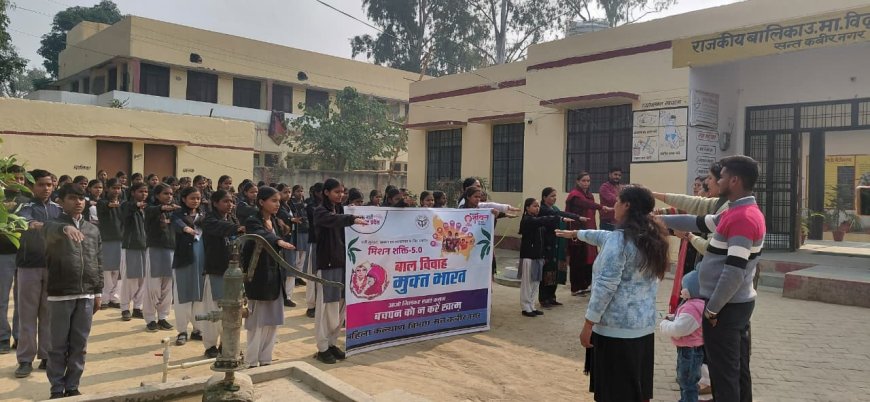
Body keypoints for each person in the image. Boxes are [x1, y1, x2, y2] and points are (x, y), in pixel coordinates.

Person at [658, 155, 765, 402]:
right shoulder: (734, 211)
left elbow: (734, 271)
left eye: (722, 177)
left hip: (726, 308)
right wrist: (658, 220)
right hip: (732, 305)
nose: (714, 182)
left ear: (734, 180)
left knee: (724, 374)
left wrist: (712, 310)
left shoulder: (742, 218)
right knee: (736, 369)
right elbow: (698, 221)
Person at [555, 185, 669, 402]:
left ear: (627, 205)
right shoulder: (651, 236)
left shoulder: (620, 240)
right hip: (642, 328)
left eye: (617, 201)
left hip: (615, 332)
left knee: (614, 393)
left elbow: (605, 287)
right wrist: (576, 233)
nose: (614, 205)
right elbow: (603, 236)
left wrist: (588, 324)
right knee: (636, 391)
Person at [42, 183, 103, 399]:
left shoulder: (92, 229)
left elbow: (98, 261)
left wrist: (98, 292)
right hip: (61, 294)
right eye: (72, 198)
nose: (78, 202)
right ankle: (56, 388)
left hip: (86, 295)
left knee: (80, 345)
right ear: (60, 201)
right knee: (57, 345)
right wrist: (64, 229)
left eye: (81, 198)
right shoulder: (52, 224)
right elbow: (48, 230)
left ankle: (72, 386)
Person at [313, 178, 367, 364]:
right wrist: (351, 219)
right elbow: (332, 220)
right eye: (336, 192)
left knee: (341, 306)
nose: (340, 195)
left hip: (344, 264)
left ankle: (332, 343)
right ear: (326, 192)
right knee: (326, 307)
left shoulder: (342, 210)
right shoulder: (320, 211)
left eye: (342, 192)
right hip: (328, 265)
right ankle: (322, 348)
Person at [242, 186, 296, 368]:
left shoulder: (275, 221)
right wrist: (278, 240)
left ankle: (266, 358)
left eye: (278, 201)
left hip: (274, 276)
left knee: (272, 321)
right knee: (257, 321)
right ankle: (251, 360)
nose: (277, 204)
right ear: (261, 202)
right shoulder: (253, 220)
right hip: (258, 276)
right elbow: (260, 235)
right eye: (273, 201)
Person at [15, 169, 60, 378]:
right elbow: (26, 222)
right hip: (28, 266)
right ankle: (25, 360)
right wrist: (40, 225)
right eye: (41, 184)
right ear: (31, 186)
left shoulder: (58, 208)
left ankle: (46, 356)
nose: (46, 188)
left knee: (49, 314)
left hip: (52, 266)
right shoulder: (24, 207)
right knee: (27, 315)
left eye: (49, 184)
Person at [201, 190, 245, 358]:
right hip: (216, 271)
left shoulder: (233, 219)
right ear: (215, 203)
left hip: (233, 273)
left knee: (231, 310)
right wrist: (238, 228)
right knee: (214, 309)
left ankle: (226, 343)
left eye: (231, 201)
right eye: (226, 201)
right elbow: (220, 228)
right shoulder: (209, 220)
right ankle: (210, 345)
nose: (230, 204)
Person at [519, 198, 573, 317]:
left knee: (535, 282)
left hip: (538, 256)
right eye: (534, 206)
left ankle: (531, 306)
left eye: (538, 206)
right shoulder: (527, 220)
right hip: (529, 257)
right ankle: (525, 308)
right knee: (528, 283)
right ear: (527, 207)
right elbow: (544, 219)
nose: (537, 208)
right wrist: (559, 218)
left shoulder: (536, 220)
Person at [660, 270, 705, 402]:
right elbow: (685, 321)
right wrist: (674, 317)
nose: (681, 290)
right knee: (687, 380)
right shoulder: (698, 304)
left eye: (684, 287)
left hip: (689, 351)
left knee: (687, 382)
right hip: (693, 349)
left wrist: (664, 324)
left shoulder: (692, 308)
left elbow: (679, 329)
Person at [565, 172, 611, 296]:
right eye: (583, 181)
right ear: (577, 181)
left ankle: (586, 285)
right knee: (577, 260)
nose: (586, 183)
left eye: (588, 181)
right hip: (577, 232)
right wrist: (602, 207)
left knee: (589, 260)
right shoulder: (574, 195)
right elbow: (585, 204)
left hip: (589, 231)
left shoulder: (589, 195)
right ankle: (576, 288)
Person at [171, 187, 205, 345]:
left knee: (199, 297)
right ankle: (182, 331)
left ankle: (198, 329)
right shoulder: (178, 214)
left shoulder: (204, 215)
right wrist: (186, 228)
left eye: (198, 198)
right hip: (184, 260)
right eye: (192, 198)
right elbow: (176, 223)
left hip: (202, 261)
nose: (195, 201)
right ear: (184, 199)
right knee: (183, 296)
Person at [143, 183, 179, 332]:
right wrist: (163, 208)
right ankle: (150, 319)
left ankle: (163, 317)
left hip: (171, 250)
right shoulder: (151, 209)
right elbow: (151, 210)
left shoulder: (175, 211)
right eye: (165, 193)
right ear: (157, 195)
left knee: (167, 287)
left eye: (171, 194)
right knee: (153, 287)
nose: (169, 196)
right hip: (155, 250)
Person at [0, 164, 28, 354]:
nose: (18, 181)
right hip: (3, 254)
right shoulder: (0, 200)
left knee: (22, 299)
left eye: (21, 179)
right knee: (2, 298)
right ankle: (2, 336)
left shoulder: (28, 201)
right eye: (15, 178)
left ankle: (19, 336)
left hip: (25, 255)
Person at [120, 183, 149, 321]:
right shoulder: (127, 205)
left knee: (143, 279)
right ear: (132, 193)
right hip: (131, 246)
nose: (144, 194)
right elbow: (127, 210)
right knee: (130, 279)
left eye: (146, 191)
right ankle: (125, 308)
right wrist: (137, 205)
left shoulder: (146, 208)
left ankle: (138, 307)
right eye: (140, 191)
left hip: (146, 246)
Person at [95, 178, 124, 309]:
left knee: (118, 270)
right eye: (114, 188)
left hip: (121, 239)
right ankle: (105, 299)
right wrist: (111, 205)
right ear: (107, 189)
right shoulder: (101, 202)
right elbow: (106, 207)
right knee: (106, 270)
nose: (117, 191)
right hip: (107, 239)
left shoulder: (123, 203)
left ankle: (115, 298)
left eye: (119, 188)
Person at [290, 185, 315, 317]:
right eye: (298, 191)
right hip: (298, 231)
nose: (300, 193)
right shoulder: (293, 204)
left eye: (301, 190)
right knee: (297, 254)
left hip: (306, 230)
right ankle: (295, 276)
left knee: (303, 254)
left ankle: (299, 276)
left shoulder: (305, 203)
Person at [276, 184, 300, 308]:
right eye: (285, 192)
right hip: (282, 241)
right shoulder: (278, 207)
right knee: (285, 269)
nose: (288, 194)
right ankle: (284, 296)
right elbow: (283, 216)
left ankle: (288, 296)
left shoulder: (289, 205)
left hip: (291, 240)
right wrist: (291, 219)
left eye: (289, 192)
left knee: (290, 269)